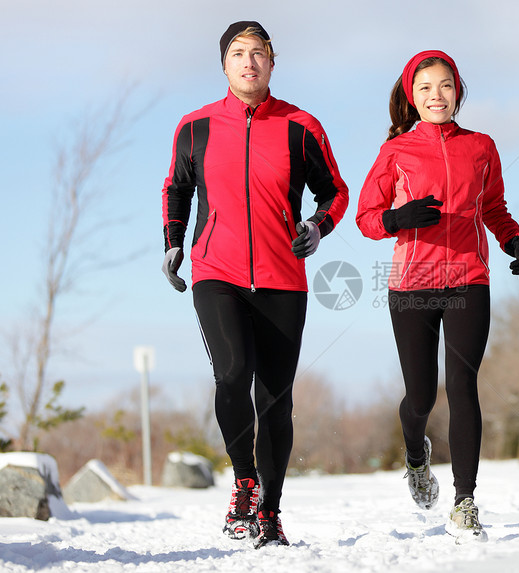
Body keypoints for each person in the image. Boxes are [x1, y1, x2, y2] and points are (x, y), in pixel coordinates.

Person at [160, 21, 348, 548]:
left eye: (258, 53)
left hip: (283, 278)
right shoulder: (195, 127)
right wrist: (174, 241)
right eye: (238, 53)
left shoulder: (300, 126)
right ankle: (244, 478)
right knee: (232, 373)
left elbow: (334, 192)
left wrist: (317, 227)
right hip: (215, 272)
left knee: (275, 401)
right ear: (224, 64)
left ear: (272, 61)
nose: (249, 62)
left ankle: (270, 509)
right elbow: (177, 188)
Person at [356, 50, 519, 543]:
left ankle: (465, 501)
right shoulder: (396, 151)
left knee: (462, 385)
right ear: (411, 98)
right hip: (412, 283)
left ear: (458, 90)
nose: (436, 96)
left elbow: (495, 208)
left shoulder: (481, 146)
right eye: (425, 89)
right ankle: (416, 453)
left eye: (445, 86)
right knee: (421, 394)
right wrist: (397, 219)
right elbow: (367, 216)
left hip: (468, 279)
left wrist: (516, 242)